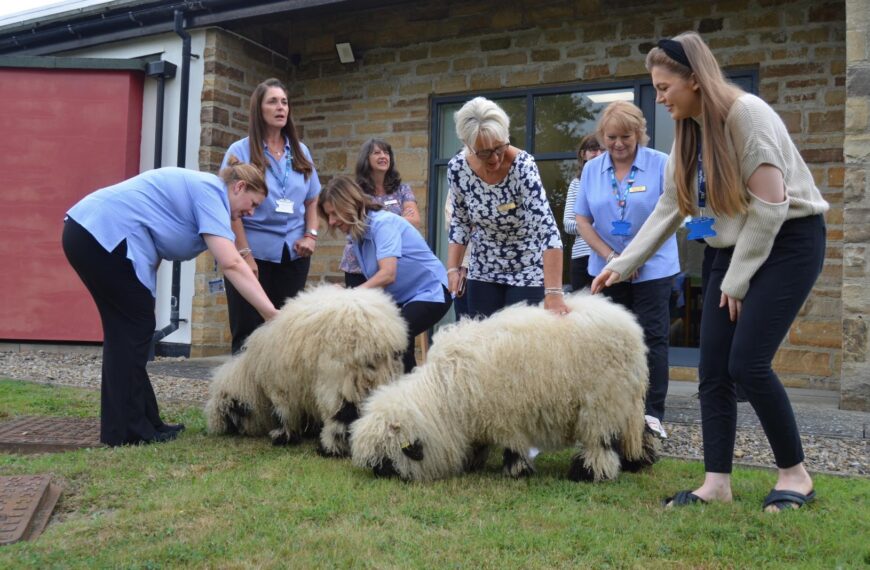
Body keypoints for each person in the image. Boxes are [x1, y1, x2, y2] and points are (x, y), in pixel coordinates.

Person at [592, 32, 829, 512]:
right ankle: (716, 483)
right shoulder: (689, 130)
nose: (658, 98)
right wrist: (621, 265)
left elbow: (770, 207)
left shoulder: (747, 115)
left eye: (663, 88)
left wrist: (737, 280)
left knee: (747, 364)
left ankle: (796, 476)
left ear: (695, 81)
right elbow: (671, 207)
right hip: (733, 243)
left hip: (788, 240)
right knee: (712, 370)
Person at [63, 159, 278, 446]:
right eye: (252, 204)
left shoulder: (209, 195)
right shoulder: (211, 193)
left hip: (91, 234)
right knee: (133, 330)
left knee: (129, 332)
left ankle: (146, 422)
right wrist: (271, 314)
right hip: (99, 233)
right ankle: (128, 431)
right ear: (239, 187)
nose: (250, 213)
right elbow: (233, 264)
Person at [575, 100, 678, 439]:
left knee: (652, 337)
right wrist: (612, 258)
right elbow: (583, 220)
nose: (618, 144)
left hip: (653, 267)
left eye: (626, 137)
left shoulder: (661, 164)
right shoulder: (592, 169)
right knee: (610, 342)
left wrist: (634, 258)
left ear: (640, 135)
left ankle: (652, 414)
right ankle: (614, 411)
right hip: (606, 268)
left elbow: (672, 216)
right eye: (611, 137)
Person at [222, 78, 321, 354]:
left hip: (293, 256)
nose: (281, 108)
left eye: (284, 102)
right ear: (259, 109)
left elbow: (313, 198)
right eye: (273, 102)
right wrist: (244, 253)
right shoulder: (239, 151)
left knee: (286, 331)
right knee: (248, 332)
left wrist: (311, 235)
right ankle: (240, 396)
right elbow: (230, 208)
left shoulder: (301, 152)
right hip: (252, 255)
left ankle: (278, 396)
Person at [446, 96, 567, 317]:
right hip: (483, 269)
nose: (494, 158)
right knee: (485, 343)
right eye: (483, 152)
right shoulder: (457, 169)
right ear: (467, 145)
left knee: (521, 344)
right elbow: (460, 222)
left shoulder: (523, 166)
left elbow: (547, 230)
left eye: (499, 147)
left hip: (527, 268)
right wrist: (453, 269)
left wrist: (554, 292)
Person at [318, 176, 452, 373]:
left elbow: (388, 274)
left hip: (431, 292)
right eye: (328, 216)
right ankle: (401, 391)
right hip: (403, 297)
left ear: (348, 204)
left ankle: (408, 393)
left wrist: (347, 295)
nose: (331, 221)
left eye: (333, 213)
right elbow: (376, 283)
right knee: (391, 341)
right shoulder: (357, 235)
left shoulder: (383, 224)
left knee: (392, 336)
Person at [340, 138, 420, 287]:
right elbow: (356, 226)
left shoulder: (402, 189)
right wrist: (398, 219)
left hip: (391, 261)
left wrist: (379, 224)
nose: (383, 156)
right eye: (377, 153)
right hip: (359, 264)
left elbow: (414, 221)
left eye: (386, 152)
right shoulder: (356, 191)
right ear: (366, 159)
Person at [563, 134, 604, 292]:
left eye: (602, 150)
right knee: (582, 309)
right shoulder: (576, 183)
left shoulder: (615, 181)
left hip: (607, 254)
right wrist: (588, 226)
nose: (598, 154)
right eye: (593, 149)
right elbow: (567, 224)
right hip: (582, 256)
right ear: (583, 154)